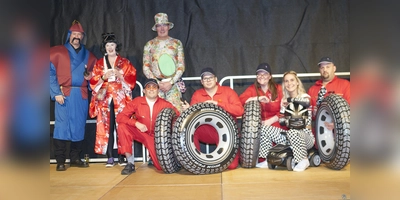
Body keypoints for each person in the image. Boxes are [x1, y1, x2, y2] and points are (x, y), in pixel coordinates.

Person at [50, 20, 97, 171]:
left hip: (81, 94)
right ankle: (60, 160)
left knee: (79, 127)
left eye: (79, 34)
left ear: (83, 37)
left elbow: (95, 76)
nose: (77, 36)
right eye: (74, 33)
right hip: (63, 93)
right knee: (61, 127)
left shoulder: (90, 56)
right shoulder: (56, 52)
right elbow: (49, 73)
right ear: (69, 35)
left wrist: (91, 79)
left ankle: (76, 157)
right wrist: (55, 92)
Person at [89, 33, 137, 167]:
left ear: (117, 46)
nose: (110, 47)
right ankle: (110, 156)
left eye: (112, 44)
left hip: (120, 97)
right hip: (105, 98)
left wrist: (120, 76)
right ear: (104, 47)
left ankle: (122, 155)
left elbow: (131, 79)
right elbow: (93, 82)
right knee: (107, 126)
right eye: (107, 45)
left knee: (121, 125)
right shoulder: (99, 63)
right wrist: (103, 77)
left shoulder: (125, 62)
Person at [181, 67, 244, 170]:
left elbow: (239, 111)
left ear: (216, 79)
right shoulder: (197, 94)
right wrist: (189, 110)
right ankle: (194, 160)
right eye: (205, 78)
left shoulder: (228, 91)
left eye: (210, 77)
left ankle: (236, 153)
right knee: (189, 130)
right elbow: (192, 118)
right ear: (201, 82)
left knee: (231, 166)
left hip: (227, 132)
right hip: (205, 131)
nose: (208, 80)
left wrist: (218, 104)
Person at [116, 78, 179, 175]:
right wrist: (135, 123)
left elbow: (177, 116)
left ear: (158, 90)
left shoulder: (165, 104)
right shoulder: (137, 101)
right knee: (122, 126)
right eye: (148, 87)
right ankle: (130, 163)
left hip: (155, 137)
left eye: (154, 87)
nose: (151, 89)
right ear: (144, 90)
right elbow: (120, 117)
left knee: (161, 167)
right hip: (140, 131)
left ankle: (153, 158)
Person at [257, 71, 315, 171]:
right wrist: (284, 112)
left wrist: (289, 102)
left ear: (297, 82)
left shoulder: (305, 97)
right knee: (264, 129)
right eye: (286, 81)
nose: (289, 83)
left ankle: (304, 160)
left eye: (292, 80)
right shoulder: (284, 100)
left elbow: (305, 112)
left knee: (294, 131)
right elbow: (283, 122)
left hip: (306, 137)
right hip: (290, 135)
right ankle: (268, 160)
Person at [238, 63, 285, 166]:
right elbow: (240, 101)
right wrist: (257, 98)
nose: (262, 76)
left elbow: (284, 110)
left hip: (276, 122)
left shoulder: (278, 89)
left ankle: (272, 159)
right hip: (257, 125)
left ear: (270, 76)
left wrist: (269, 121)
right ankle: (265, 160)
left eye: (265, 74)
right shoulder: (252, 89)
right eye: (259, 74)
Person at [143, 13, 185, 112]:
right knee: (156, 114)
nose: (162, 28)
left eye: (164, 25)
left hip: (173, 84)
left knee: (176, 113)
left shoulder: (176, 43)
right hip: (155, 86)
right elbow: (146, 67)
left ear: (168, 27)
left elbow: (181, 66)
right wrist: (157, 83)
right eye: (159, 26)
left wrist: (171, 82)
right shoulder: (149, 44)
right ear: (156, 28)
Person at [307, 57, 350, 130]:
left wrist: (338, 123)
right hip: (318, 131)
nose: (325, 70)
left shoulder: (345, 85)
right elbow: (308, 114)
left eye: (328, 67)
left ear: (334, 68)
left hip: (339, 132)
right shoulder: (312, 89)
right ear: (319, 70)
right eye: (322, 67)